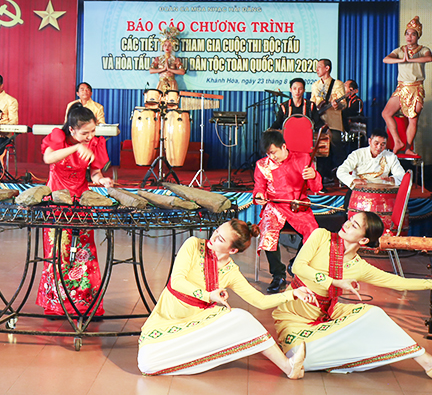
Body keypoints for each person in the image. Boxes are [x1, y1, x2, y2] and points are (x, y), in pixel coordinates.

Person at [138, 219, 314, 378]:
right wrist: (209, 295)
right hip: (168, 318)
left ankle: (288, 367)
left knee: (242, 317)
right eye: (216, 231)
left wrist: (292, 294)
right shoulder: (193, 245)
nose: (213, 238)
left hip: (200, 321)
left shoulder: (231, 272)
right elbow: (177, 282)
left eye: (221, 239)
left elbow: (260, 301)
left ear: (232, 250)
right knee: (146, 363)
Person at [273, 212, 432, 376]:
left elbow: (398, 283)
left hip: (325, 312)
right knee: (302, 356)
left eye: (354, 225)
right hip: (293, 315)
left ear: (363, 240)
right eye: (350, 220)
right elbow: (298, 267)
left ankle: (425, 360)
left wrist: (429, 283)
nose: (347, 224)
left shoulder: (360, 266)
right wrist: (333, 282)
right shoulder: (321, 236)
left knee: (374, 313)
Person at [36, 103, 113, 316]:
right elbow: (48, 158)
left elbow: (95, 172)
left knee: (83, 253)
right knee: (57, 252)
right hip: (57, 201)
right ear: (72, 130)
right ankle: (56, 304)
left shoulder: (95, 143)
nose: (90, 136)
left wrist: (102, 179)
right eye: (85, 133)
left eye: (93, 131)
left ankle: (84, 304)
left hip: (80, 201)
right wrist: (76, 147)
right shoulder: (58, 136)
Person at [254, 130, 322, 294]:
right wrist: (259, 196)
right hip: (275, 205)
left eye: (274, 152)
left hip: (297, 205)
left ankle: (296, 262)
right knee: (268, 231)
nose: (271, 156)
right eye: (268, 153)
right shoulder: (262, 165)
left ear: (283, 146)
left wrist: (313, 176)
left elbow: (316, 188)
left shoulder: (304, 158)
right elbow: (259, 187)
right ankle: (278, 275)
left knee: (314, 233)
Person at [382, 16, 432, 155]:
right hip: (401, 88)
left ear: (418, 36)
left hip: (416, 88)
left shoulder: (423, 49)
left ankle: (409, 148)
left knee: (413, 119)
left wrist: (409, 59)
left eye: (413, 34)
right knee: (386, 113)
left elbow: (429, 58)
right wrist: (401, 59)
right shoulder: (400, 50)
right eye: (407, 34)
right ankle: (398, 141)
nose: (410, 37)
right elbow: (386, 59)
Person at [310, 58, 347, 182]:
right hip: (319, 121)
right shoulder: (315, 85)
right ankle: (323, 176)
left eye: (319, 67)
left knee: (336, 148)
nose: (317, 69)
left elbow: (344, 104)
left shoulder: (337, 84)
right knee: (320, 149)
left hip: (333, 121)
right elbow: (312, 103)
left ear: (327, 68)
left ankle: (340, 176)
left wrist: (338, 105)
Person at [336, 128, 405, 189]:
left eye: (383, 144)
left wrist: (392, 179)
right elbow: (341, 171)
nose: (379, 147)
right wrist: (353, 180)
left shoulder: (390, 156)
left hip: (381, 189)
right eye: (376, 143)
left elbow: (401, 174)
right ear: (369, 141)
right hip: (360, 189)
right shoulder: (358, 154)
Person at [149, 27, 185, 93]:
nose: (167, 47)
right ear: (163, 47)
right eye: (165, 45)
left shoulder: (175, 59)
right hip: (161, 82)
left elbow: (182, 72)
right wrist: (163, 69)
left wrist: (169, 69)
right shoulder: (158, 59)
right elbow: (151, 70)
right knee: (160, 101)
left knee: (172, 101)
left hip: (172, 83)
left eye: (169, 45)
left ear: (172, 47)